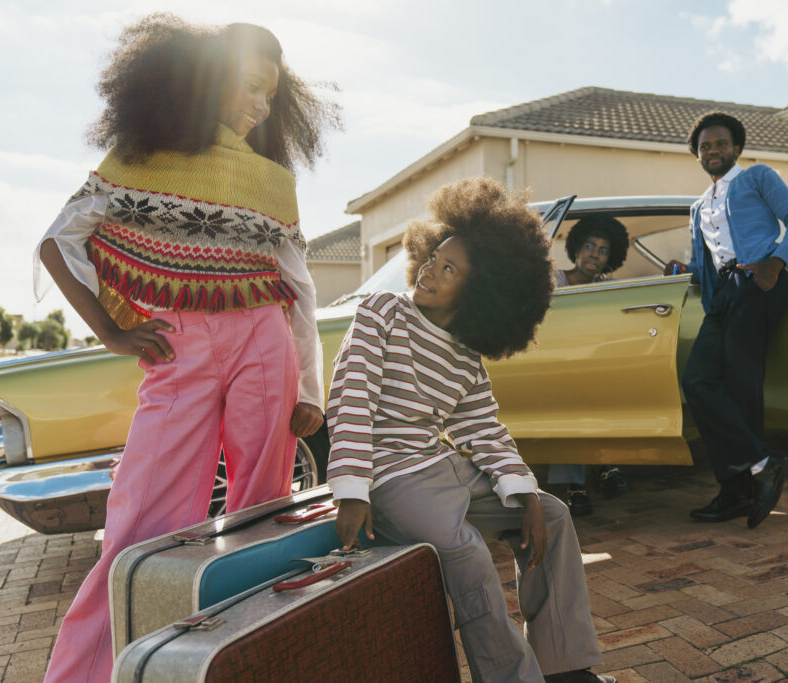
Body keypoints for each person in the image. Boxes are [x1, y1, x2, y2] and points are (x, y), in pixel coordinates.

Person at [37, 16, 340, 682]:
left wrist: (309, 390)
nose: (262, 106)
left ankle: (236, 661)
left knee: (261, 513)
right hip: (178, 347)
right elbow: (59, 241)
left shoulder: (271, 181)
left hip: (265, 340)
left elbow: (300, 288)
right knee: (139, 526)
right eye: (251, 87)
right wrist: (112, 332)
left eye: (271, 95)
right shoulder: (140, 159)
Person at [328, 177, 614, 683]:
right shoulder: (383, 313)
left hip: (442, 467)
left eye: (449, 269)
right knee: (469, 557)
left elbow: (483, 428)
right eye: (434, 258)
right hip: (393, 477)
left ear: (479, 290)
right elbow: (352, 399)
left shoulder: (466, 356)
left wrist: (524, 492)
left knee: (553, 515)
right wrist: (351, 490)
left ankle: (565, 669)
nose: (430, 271)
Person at [666, 111, 788, 529]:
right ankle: (763, 465)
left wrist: (775, 263)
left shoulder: (757, 177)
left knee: (742, 386)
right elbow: (704, 264)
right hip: (722, 298)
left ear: (737, 148)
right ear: (697, 155)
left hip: (758, 283)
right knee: (698, 380)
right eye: (705, 147)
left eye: (720, 144)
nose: (712, 151)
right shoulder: (698, 206)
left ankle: (735, 492)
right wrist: (684, 269)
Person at [549, 216, 631, 516]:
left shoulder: (608, 288)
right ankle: (589, 476)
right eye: (589, 246)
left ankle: (595, 471)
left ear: (611, 258)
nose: (594, 255)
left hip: (594, 365)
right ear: (576, 249)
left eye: (603, 250)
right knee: (571, 395)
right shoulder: (551, 282)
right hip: (554, 364)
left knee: (604, 387)